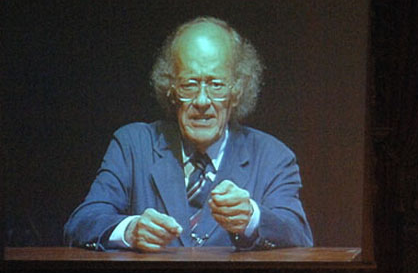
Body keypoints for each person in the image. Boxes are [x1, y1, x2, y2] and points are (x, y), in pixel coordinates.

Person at [64, 16, 313, 251]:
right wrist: (130, 231)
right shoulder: (132, 145)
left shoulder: (273, 157)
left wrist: (251, 218)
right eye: (189, 84)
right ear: (171, 90)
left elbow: (299, 236)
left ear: (237, 91)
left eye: (216, 85)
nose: (202, 100)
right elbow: (81, 223)